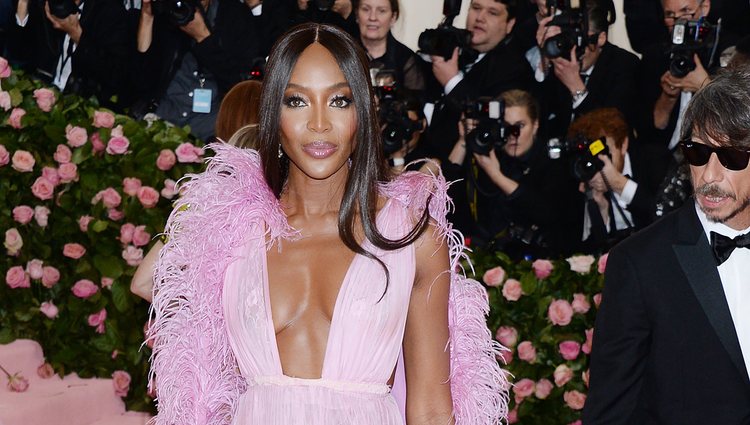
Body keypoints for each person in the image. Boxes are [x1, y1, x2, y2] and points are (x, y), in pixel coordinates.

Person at [147, 23, 508, 424]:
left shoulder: (412, 238)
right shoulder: (229, 232)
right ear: (272, 112)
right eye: (297, 101)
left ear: (364, 110)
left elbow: (431, 412)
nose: (319, 123)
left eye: (339, 101)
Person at [583, 67, 750, 424]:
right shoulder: (639, 263)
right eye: (698, 153)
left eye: (732, 157)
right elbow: (610, 412)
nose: (710, 176)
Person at [442, 89, 580, 257]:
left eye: (520, 126)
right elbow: (444, 195)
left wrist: (497, 176)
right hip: (488, 259)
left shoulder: (553, 161)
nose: (513, 135)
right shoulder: (489, 153)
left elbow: (546, 213)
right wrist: (464, 140)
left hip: (543, 260)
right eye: (506, 127)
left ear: (535, 125)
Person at [131, 0, 265, 141]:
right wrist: (147, 16)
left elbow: (242, 86)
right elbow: (138, 81)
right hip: (160, 121)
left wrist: (203, 37)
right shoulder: (166, 12)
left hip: (210, 131)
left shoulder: (235, 16)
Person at [422, 0, 535, 162]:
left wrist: (452, 81)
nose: (480, 17)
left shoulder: (515, 69)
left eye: (492, 13)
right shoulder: (455, 49)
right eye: (476, 8)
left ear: (510, 24)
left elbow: (490, 122)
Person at [532, 0, 639, 141]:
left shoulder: (624, 64)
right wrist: (545, 59)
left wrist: (577, 88)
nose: (575, 48)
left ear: (601, 38)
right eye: (571, 38)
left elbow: (611, 131)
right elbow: (539, 118)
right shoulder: (562, 57)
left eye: (581, 39)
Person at [567, 108, 670, 253]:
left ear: (623, 145)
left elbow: (666, 217)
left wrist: (619, 184)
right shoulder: (585, 177)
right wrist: (601, 209)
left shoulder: (653, 160)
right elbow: (590, 251)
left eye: (603, 153)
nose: (598, 162)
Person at [10, 0, 131, 110]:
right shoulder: (47, 5)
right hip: (40, 95)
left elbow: (114, 74)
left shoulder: (110, 12)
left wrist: (76, 33)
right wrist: (23, 4)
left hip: (82, 107)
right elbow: (18, 53)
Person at [355, 0, 425, 92]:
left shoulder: (406, 59)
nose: (373, 17)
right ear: (357, 14)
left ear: (393, 17)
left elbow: (415, 103)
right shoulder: (343, 53)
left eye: (382, 11)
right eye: (366, 9)